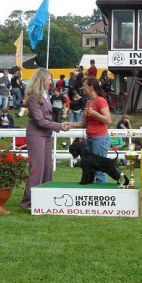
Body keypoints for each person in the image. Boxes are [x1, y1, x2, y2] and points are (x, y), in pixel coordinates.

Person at [20, 69, 70, 209]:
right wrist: (59, 125)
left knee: (47, 166)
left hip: (47, 134)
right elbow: (40, 121)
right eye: (49, 79)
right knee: (37, 167)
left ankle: (44, 196)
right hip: (36, 134)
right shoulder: (33, 98)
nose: (51, 82)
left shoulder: (46, 95)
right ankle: (28, 201)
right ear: (41, 80)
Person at [69, 76, 112, 183]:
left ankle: (101, 194)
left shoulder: (100, 101)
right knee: (90, 169)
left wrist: (94, 113)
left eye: (83, 86)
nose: (82, 88)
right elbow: (84, 123)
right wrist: (69, 124)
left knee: (100, 170)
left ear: (91, 87)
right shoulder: (88, 102)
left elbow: (108, 120)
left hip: (100, 139)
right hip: (90, 139)